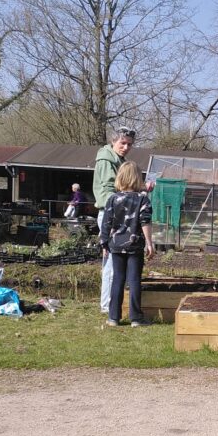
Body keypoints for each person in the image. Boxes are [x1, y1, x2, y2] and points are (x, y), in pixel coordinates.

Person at [100, 161, 154, 327]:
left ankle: (113, 317)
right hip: (135, 245)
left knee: (118, 279)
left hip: (116, 245)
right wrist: (150, 244)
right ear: (138, 178)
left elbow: (106, 223)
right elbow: (145, 222)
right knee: (134, 280)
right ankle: (136, 318)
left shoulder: (113, 199)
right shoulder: (142, 199)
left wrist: (104, 243)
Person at [93, 127, 135, 314]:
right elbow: (109, 191)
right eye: (122, 143)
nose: (126, 147)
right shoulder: (106, 159)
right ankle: (108, 306)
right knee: (112, 262)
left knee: (112, 262)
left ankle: (109, 304)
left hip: (116, 213)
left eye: (129, 144)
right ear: (113, 142)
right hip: (110, 214)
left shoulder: (118, 160)